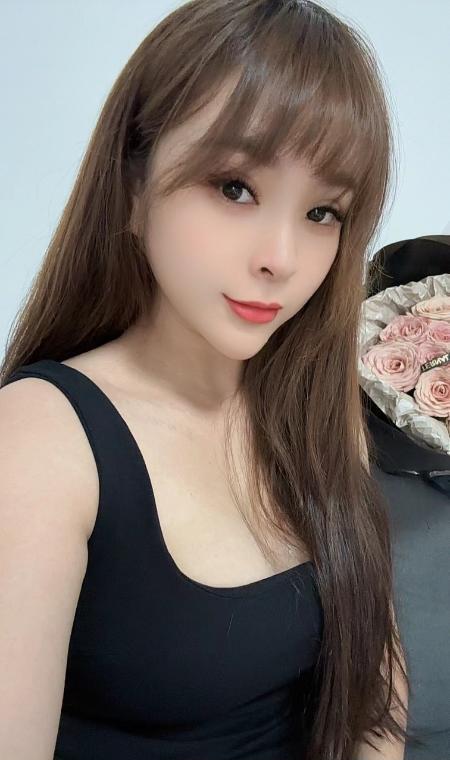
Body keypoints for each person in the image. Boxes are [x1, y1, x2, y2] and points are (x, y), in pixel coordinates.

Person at [0, 1, 417, 758]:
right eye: (234, 188)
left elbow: (373, 701)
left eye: (323, 212)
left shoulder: (316, 415)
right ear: (132, 189)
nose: (281, 258)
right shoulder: (40, 439)